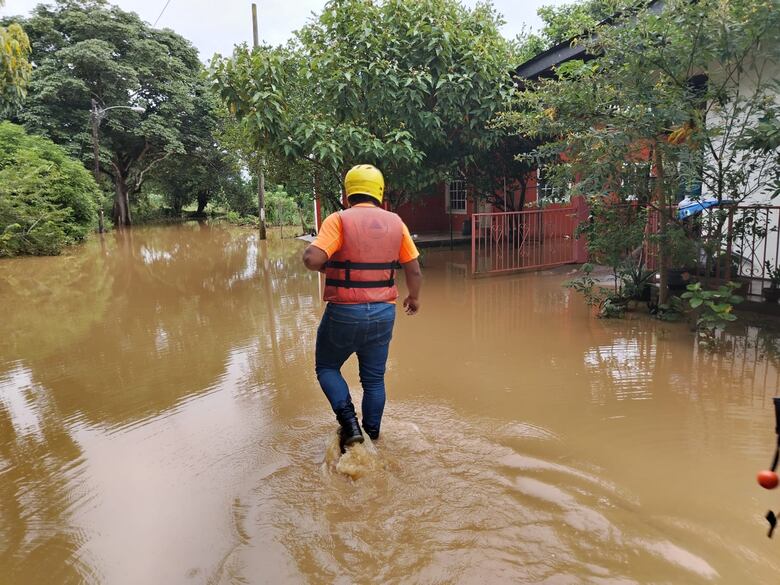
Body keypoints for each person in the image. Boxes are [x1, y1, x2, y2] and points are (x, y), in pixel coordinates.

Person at [302, 164, 422, 451]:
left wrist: (339, 269)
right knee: (374, 379)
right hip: (383, 312)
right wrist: (414, 298)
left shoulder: (338, 220)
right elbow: (414, 270)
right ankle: (373, 435)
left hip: (344, 312)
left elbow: (312, 260)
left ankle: (350, 425)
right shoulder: (396, 222)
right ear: (379, 192)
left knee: (327, 367)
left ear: (348, 193)